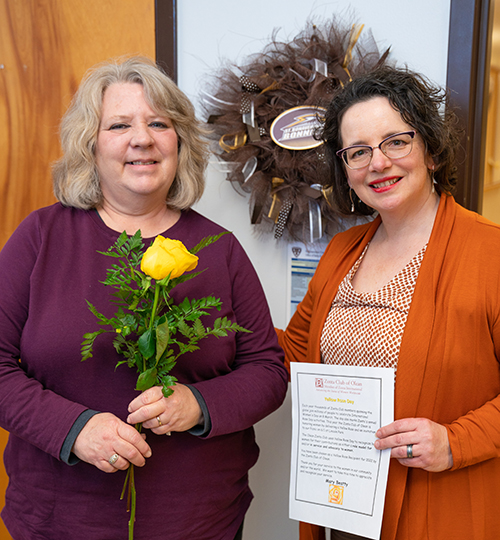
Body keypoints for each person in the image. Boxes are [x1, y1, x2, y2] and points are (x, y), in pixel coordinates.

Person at [0, 56, 288, 540]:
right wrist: (74, 429)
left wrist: (198, 403)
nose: (142, 139)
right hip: (61, 522)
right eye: (119, 124)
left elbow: (267, 370)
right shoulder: (40, 238)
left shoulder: (220, 250)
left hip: (200, 522)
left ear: (179, 143)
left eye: (159, 123)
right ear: (89, 145)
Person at [277, 65, 500, 540]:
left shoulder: (491, 254)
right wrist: (220, 311)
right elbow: (294, 354)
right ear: (346, 172)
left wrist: (455, 441)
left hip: (443, 513)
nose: (378, 163)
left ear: (431, 152)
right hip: (347, 510)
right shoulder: (342, 251)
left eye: (396, 142)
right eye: (358, 152)